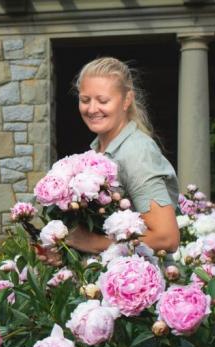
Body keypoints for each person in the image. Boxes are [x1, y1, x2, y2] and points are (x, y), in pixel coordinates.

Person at [65, 57, 180, 254]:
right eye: (85, 100)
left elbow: (166, 237)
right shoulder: (99, 150)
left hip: (139, 278)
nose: (92, 109)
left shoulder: (136, 151)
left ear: (127, 100)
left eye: (103, 100)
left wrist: (91, 242)